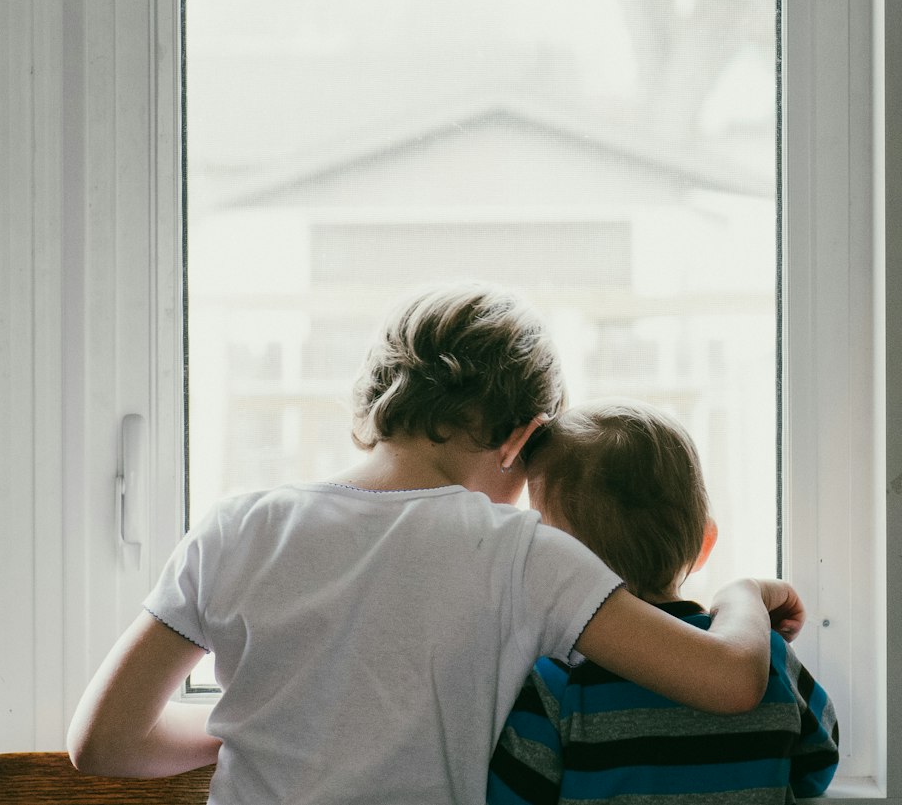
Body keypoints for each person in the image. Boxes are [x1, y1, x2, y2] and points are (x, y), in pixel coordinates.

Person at [68, 283, 805, 805]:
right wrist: (744, 592)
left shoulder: (238, 525)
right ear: (523, 437)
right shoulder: (520, 553)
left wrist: (266, 717)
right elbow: (731, 681)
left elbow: (103, 740)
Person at [488, 400, 838, 805]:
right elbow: (818, 768)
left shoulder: (556, 681)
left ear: (559, 561)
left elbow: (510, 795)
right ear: (705, 543)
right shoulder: (765, 656)